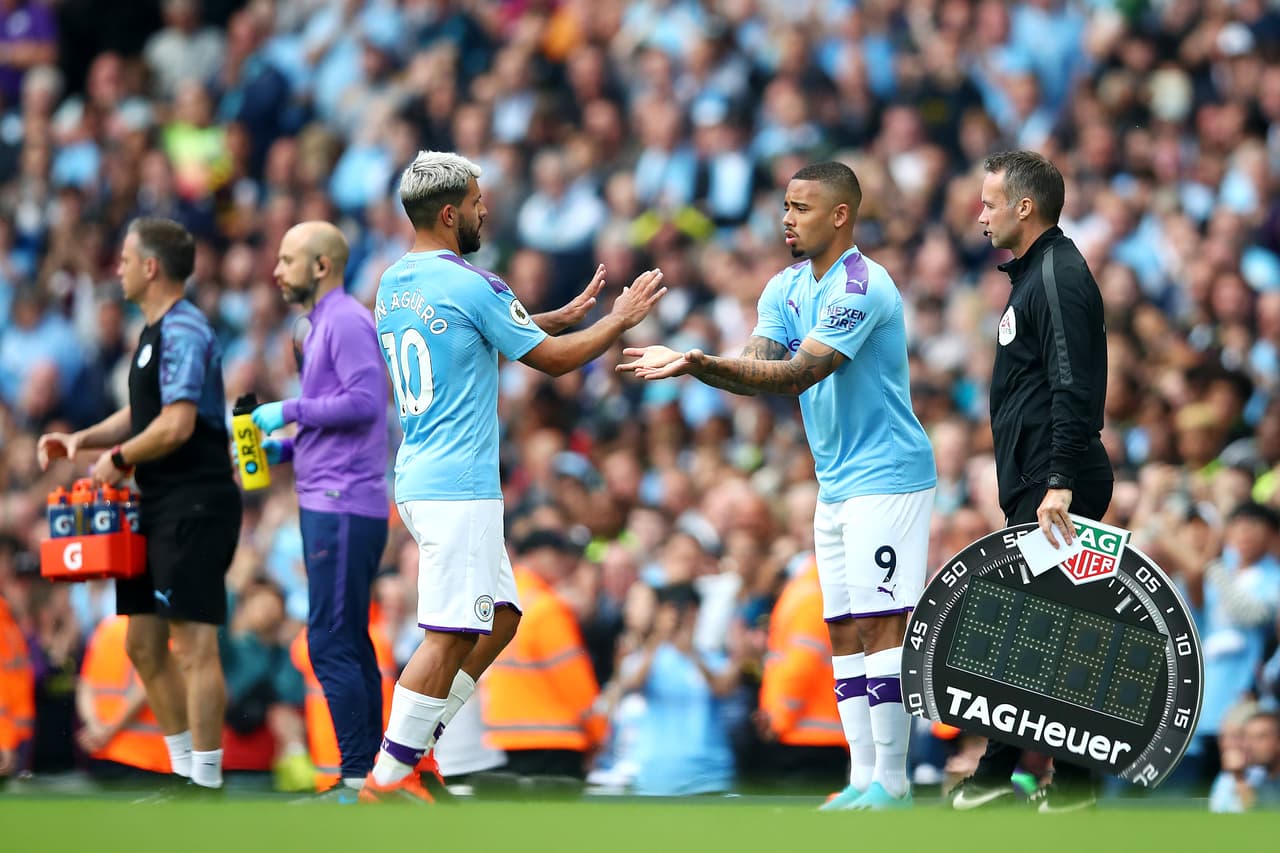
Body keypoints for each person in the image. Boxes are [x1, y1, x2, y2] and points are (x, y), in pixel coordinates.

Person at [619, 161, 937, 810]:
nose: (787, 218)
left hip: (889, 478)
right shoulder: (785, 288)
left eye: (802, 207)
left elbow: (796, 375)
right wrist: (696, 364)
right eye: (785, 206)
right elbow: (758, 365)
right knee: (844, 628)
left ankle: (894, 785)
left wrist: (698, 362)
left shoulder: (862, 286)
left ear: (841, 214)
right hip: (837, 482)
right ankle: (860, 781)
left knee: (882, 624)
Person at [360, 150, 666, 802]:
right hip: (457, 483)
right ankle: (389, 775)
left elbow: (491, 333)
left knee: (500, 616)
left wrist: (562, 314)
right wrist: (618, 319)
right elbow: (551, 363)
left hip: (420, 474)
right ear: (449, 213)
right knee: (450, 631)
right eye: (476, 201)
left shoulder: (393, 282)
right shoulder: (477, 283)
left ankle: (415, 746)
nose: (485, 210)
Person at [37, 217, 242, 792]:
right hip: (159, 500)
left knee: (193, 640)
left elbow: (176, 424)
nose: (118, 268)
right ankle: (183, 772)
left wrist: (120, 460)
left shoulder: (183, 330)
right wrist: (84, 440)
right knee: (142, 642)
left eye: (125, 259)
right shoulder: (153, 333)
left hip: (195, 501)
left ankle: (205, 780)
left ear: (151, 267)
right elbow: (145, 414)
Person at [950, 150, 1113, 813]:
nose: (979, 212)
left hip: (1054, 483)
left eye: (989, 201)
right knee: (1050, 630)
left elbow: (1077, 386)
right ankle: (1063, 785)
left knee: (1033, 630)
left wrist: (1059, 481)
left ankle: (999, 777)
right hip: (1037, 479)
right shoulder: (1037, 274)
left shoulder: (1057, 276)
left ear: (1025, 206)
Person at [249, 220, 390, 797]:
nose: (277, 271)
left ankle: (358, 775)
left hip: (342, 505)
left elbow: (363, 401)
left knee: (331, 640)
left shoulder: (347, 320)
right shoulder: (325, 324)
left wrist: (287, 408)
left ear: (322, 266)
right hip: (331, 499)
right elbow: (334, 422)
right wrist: (281, 447)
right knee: (346, 638)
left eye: (287, 259)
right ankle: (378, 775)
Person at [482, 529, 605, 789]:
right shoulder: (547, 608)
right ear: (539, 556)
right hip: (555, 739)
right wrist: (598, 731)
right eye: (559, 555)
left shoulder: (499, 605)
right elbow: (573, 679)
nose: (565, 564)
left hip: (508, 734)